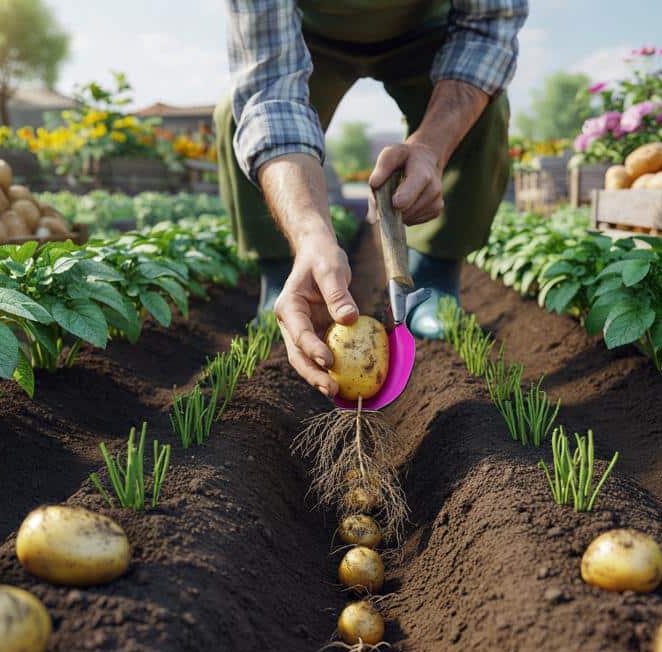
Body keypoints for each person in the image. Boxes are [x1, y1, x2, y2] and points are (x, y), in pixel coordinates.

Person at [216, 0, 527, 397]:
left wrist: (431, 148)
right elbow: (268, 95)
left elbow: (488, 31)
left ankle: (434, 274)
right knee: (235, 114)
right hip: (307, 32)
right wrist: (310, 233)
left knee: (486, 108)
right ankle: (282, 277)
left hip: (427, 30)